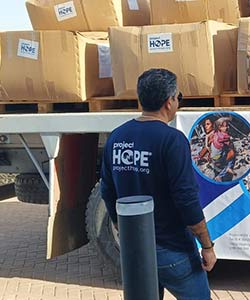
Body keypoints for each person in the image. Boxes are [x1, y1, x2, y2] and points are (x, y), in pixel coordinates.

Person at [100, 68, 216, 300]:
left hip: (136, 249)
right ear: (169, 101)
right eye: (178, 97)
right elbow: (187, 199)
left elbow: (108, 191)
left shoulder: (116, 137)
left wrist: (124, 229)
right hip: (173, 251)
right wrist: (207, 246)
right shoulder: (172, 140)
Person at [209, 117, 236, 182]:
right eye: (224, 126)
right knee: (232, 153)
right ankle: (225, 171)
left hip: (214, 157)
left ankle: (222, 172)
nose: (226, 128)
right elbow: (228, 142)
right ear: (219, 127)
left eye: (227, 126)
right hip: (218, 158)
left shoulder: (215, 133)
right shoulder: (224, 136)